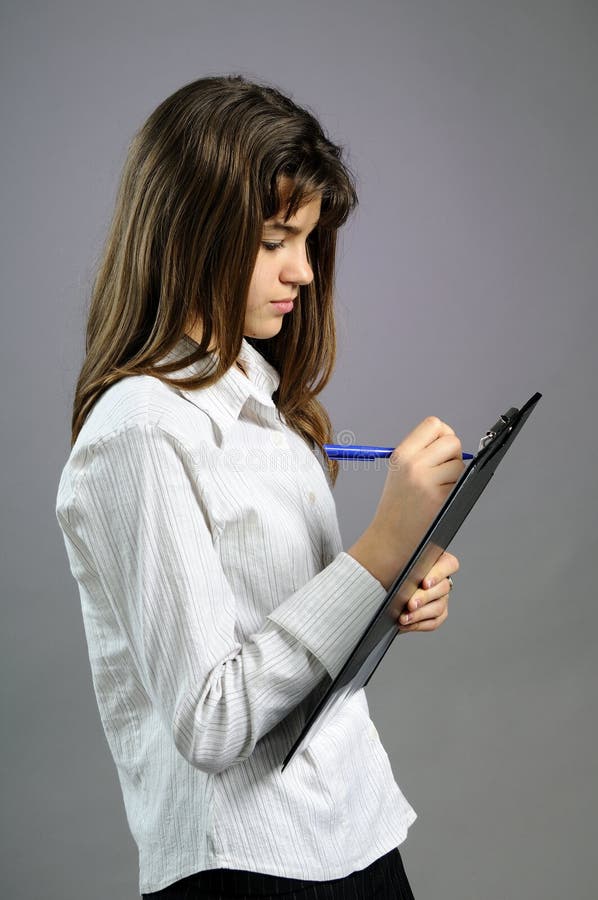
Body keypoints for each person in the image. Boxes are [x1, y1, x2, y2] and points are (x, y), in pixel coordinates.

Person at [55, 74, 463, 899]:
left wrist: (386, 593)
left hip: (353, 826)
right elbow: (213, 718)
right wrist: (378, 550)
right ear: (190, 232)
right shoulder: (139, 431)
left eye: (308, 242)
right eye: (278, 239)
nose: (304, 271)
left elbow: (282, 638)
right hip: (248, 864)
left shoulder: (260, 400)